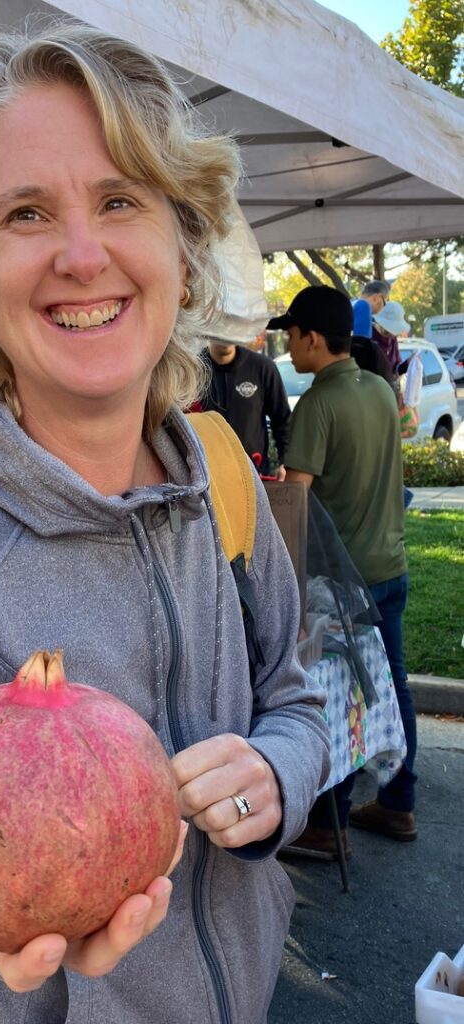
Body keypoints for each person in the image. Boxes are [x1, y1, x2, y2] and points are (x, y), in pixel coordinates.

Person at [0, 24, 330, 1024]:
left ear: (181, 239)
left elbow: (295, 701)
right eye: (26, 212)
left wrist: (274, 774)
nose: (82, 255)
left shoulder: (223, 474)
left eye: (119, 200)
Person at [271, 286, 416, 853]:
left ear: (311, 338)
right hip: (391, 564)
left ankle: (329, 825)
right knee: (390, 685)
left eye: (291, 334)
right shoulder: (379, 387)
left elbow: (293, 502)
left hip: (343, 584)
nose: (288, 345)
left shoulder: (318, 405)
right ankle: (399, 803)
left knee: (335, 693)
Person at [200, 327, 291, 478]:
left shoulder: (262, 367)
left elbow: (283, 420)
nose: (226, 332)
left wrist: (285, 463)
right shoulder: (192, 370)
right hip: (207, 479)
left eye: (232, 325)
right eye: (221, 325)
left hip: (254, 475)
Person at [360, 280, 401, 373]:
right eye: (385, 302)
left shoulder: (391, 338)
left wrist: (407, 365)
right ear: (376, 298)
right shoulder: (357, 322)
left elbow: (395, 367)